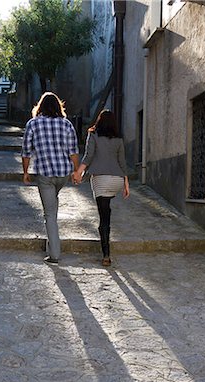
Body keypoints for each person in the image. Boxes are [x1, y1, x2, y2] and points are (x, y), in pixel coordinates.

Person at [21, 92, 79, 265]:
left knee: (50, 214)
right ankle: (51, 244)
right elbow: (73, 151)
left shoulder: (33, 124)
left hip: (45, 174)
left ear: (40, 107)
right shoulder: (67, 124)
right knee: (52, 205)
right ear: (58, 107)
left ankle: (54, 254)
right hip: (62, 174)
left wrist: (25, 172)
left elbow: (26, 151)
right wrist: (76, 171)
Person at [74, 109, 129, 267]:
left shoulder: (93, 135)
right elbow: (122, 162)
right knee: (107, 209)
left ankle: (106, 255)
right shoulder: (118, 139)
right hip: (117, 180)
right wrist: (126, 184)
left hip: (101, 180)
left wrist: (78, 172)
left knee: (103, 218)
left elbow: (89, 156)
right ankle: (108, 213)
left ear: (99, 121)